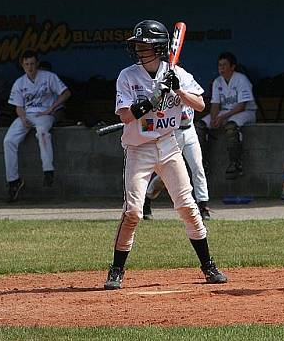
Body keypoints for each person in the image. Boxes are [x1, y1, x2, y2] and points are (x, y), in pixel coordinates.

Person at [105, 20, 227, 290]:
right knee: (134, 212)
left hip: (169, 145)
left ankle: (208, 266)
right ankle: (116, 269)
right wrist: (150, 101)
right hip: (139, 149)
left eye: (144, 45)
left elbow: (201, 105)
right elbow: (125, 116)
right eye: (137, 44)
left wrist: (178, 91)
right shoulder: (127, 76)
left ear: (159, 48)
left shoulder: (177, 74)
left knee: (187, 206)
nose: (138, 49)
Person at [3, 50, 71, 201]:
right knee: (8, 141)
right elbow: (18, 106)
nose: (30, 67)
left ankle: (48, 171)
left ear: (37, 64)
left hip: (44, 114)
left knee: (42, 132)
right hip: (26, 115)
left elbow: (66, 93)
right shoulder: (19, 82)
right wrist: (22, 118)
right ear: (22, 65)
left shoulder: (48, 77)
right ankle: (13, 181)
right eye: (27, 64)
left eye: (32, 64)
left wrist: (51, 108)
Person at [143, 103, 212, 221]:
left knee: (198, 168)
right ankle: (147, 199)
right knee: (165, 174)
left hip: (190, 130)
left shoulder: (189, 84)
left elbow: (200, 103)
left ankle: (203, 205)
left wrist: (185, 95)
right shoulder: (164, 87)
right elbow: (150, 114)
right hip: (172, 133)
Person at [196, 52, 257, 179]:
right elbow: (215, 104)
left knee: (231, 127)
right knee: (200, 126)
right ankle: (203, 164)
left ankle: (236, 163)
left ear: (232, 66)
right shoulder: (218, 82)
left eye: (224, 65)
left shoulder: (241, 79)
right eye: (219, 65)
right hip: (225, 112)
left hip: (246, 112)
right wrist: (213, 119)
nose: (221, 68)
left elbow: (242, 106)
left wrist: (222, 117)